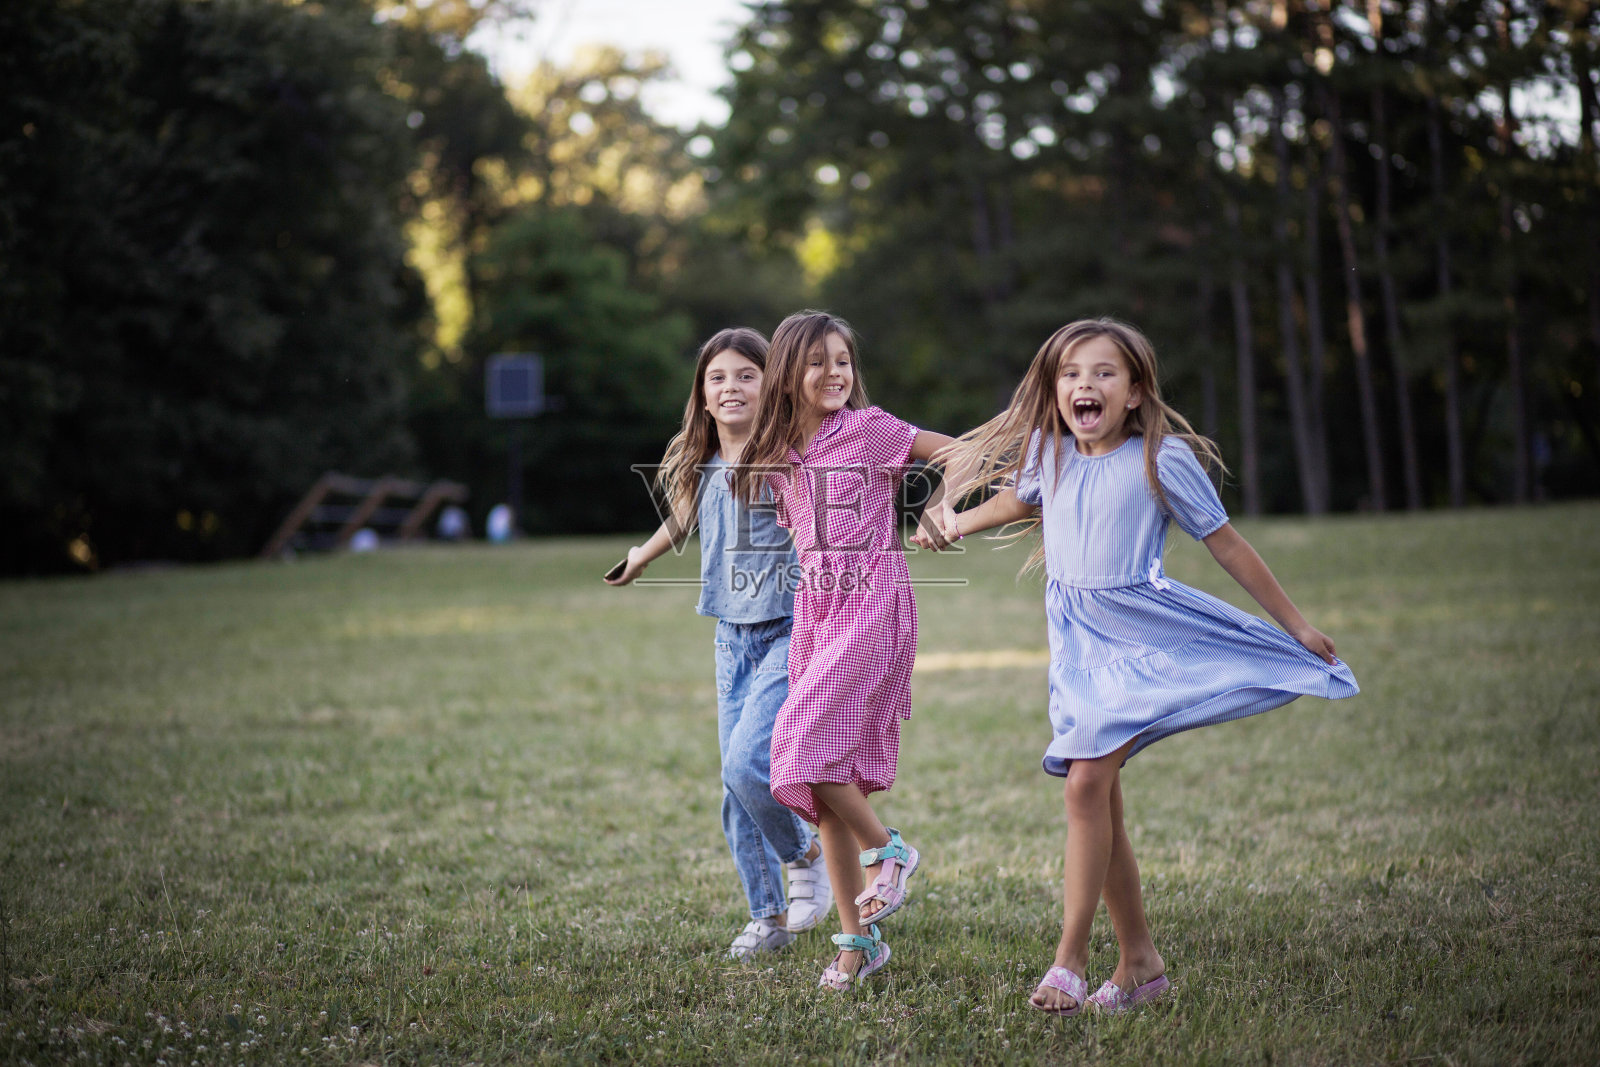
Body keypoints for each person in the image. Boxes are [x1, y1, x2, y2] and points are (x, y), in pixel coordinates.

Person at [918, 318, 1358, 1016]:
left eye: (1103, 373)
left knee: (1085, 783)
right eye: (1070, 374)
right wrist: (956, 522)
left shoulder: (1162, 459)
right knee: (1100, 796)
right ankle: (1141, 964)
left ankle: (1069, 960)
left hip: (1142, 634)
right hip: (1077, 642)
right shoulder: (1051, 453)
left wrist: (1296, 624)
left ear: (1134, 392)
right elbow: (1020, 500)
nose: (1083, 384)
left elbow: (1227, 543)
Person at [733, 310, 960, 990]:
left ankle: (889, 850)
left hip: (871, 602)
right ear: (786, 373)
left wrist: (940, 505)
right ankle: (856, 944)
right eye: (818, 362)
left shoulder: (869, 429)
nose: (835, 373)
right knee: (825, 788)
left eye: (843, 361)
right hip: (817, 611)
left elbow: (959, 452)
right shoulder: (778, 456)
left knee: (797, 745)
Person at [605, 327, 833, 960]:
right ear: (703, 396)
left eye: (747, 375)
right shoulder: (704, 464)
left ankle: (807, 855)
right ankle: (769, 918)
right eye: (718, 378)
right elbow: (683, 518)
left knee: (746, 766)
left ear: (773, 386)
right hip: (730, 640)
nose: (731, 387)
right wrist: (641, 556)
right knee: (734, 790)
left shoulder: (787, 459)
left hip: (790, 630)